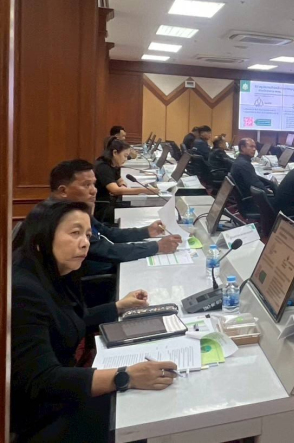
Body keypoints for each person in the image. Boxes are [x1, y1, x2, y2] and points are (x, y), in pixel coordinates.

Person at [11, 201, 177, 442]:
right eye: (75, 233)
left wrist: (118, 306)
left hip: (64, 385)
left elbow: (67, 320)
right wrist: (125, 376)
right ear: (42, 237)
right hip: (42, 412)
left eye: (88, 235)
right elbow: (42, 380)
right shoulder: (23, 292)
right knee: (149, 413)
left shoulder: (54, 270)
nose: (85, 243)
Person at [48, 160, 180, 270]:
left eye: (93, 184)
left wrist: (147, 231)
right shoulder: (61, 220)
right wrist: (157, 246)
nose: (94, 191)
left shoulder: (74, 209)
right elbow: (108, 251)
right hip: (95, 282)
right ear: (63, 191)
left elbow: (109, 233)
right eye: (86, 185)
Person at [93, 139, 156, 223]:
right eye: (125, 156)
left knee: (140, 209)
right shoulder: (103, 167)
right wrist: (146, 190)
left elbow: (120, 180)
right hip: (103, 209)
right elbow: (115, 190)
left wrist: (122, 187)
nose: (126, 159)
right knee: (138, 213)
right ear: (115, 153)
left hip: (111, 202)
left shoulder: (113, 164)